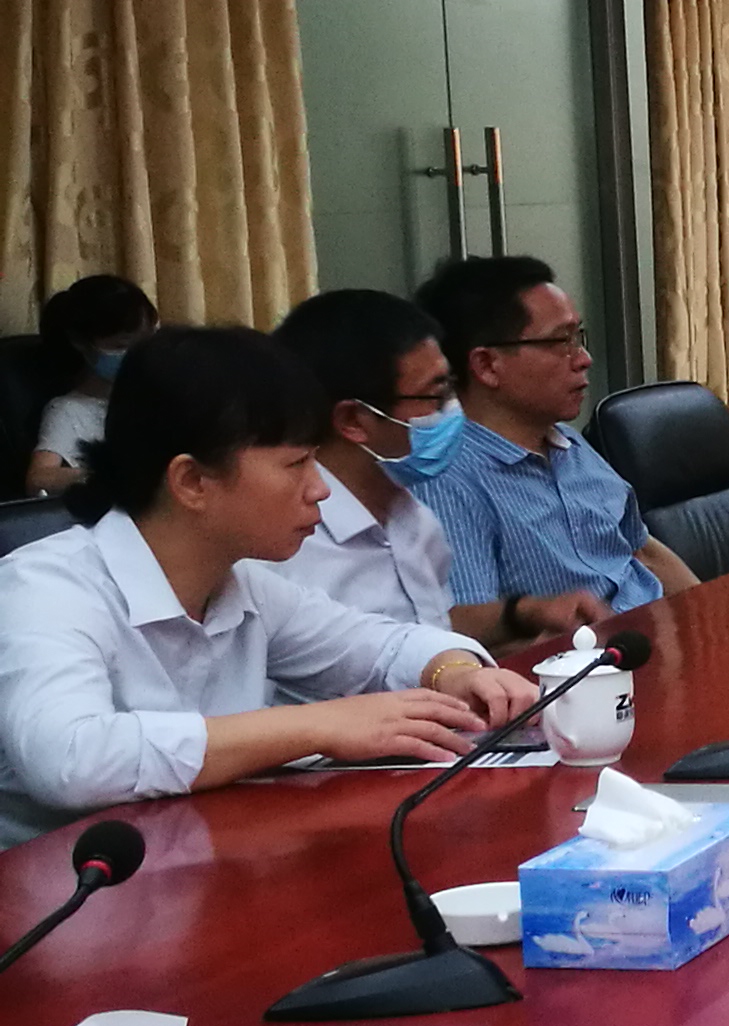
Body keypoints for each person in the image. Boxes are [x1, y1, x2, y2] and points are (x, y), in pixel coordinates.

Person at [0, 327, 536, 847]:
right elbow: (70, 760)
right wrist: (315, 725)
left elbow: (381, 646)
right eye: (296, 463)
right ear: (192, 481)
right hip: (62, 889)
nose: (320, 489)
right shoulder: (46, 587)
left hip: (206, 859)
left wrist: (454, 671)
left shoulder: (243, 585)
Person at [273, 287, 612, 655]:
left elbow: (433, 631)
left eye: (450, 390)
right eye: (435, 397)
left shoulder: (410, 514)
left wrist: (522, 614)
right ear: (354, 420)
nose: (453, 412)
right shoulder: (289, 552)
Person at [408, 255, 696, 618]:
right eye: (562, 341)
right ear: (487, 365)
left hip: (663, 628)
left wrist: (717, 618)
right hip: (596, 649)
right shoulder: (447, 479)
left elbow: (643, 552)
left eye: (579, 337)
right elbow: (472, 630)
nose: (584, 359)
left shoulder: (568, 442)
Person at [23, 272, 159, 493]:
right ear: (80, 343)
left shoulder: (154, 397)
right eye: (121, 345)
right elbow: (38, 479)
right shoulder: (69, 411)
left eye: (144, 343)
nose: (136, 355)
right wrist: (109, 476)